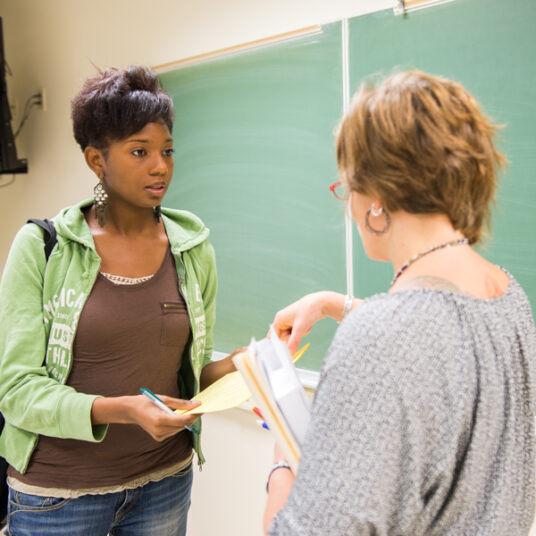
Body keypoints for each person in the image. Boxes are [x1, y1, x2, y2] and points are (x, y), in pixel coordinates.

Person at [264, 70, 536, 535]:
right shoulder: (508, 295)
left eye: (348, 188)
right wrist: (337, 305)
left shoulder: (380, 338)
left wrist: (285, 457)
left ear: (377, 199)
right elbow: (444, 341)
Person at [0, 65, 239, 536]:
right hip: (60, 497)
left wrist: (246, 364)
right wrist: (122, 409)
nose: (160, 166)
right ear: (96, 159)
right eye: (139, 151)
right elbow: (17, 391)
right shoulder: (42, 247)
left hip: (164, 483)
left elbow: (190, 373)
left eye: (167, 151)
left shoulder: (192, 248)